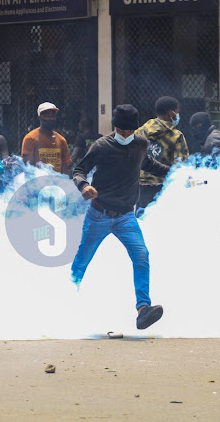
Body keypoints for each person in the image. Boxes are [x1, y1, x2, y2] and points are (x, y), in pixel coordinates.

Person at [71, 104, 170, 330]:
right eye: (121, 131)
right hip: (99, 214)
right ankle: (68, 299)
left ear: (135, 129)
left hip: (126, 217)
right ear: (115, 127)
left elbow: (148, 164)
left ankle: (143, 309)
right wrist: (84, 186)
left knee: (141, 256)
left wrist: (176, 170)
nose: (125, 135)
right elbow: (79, 169)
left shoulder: (141, 143)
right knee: (82, 260)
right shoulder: (101, 146)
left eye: (129, 131)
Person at [134, 96, 189, 210]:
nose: (178, 115)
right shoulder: (176, 136)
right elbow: (181, 166)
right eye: (177, 112)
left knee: (141, 223)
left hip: (139, 189)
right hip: (164, 191)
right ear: (171, 114)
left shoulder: (139, 132)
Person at [21, 102, 72, 175]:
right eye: (47, 115)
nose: (50, 118)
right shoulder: (30, 138)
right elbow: (28, 168)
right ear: (39, 117)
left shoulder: (61, 140)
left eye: (53, 115)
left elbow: (65, 168)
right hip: (38, 182)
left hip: (57, 183)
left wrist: (66, 184)